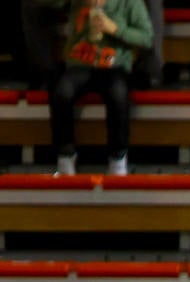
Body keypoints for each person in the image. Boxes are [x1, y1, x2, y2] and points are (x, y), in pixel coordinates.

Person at [49, 0, 152, 176]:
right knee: (61, 91)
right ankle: (65, 154)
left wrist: (116, 29)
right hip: (79, 64)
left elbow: (147, 38)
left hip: (114, 66)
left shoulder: (129, 3)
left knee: (118, 93)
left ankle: (117, 157)